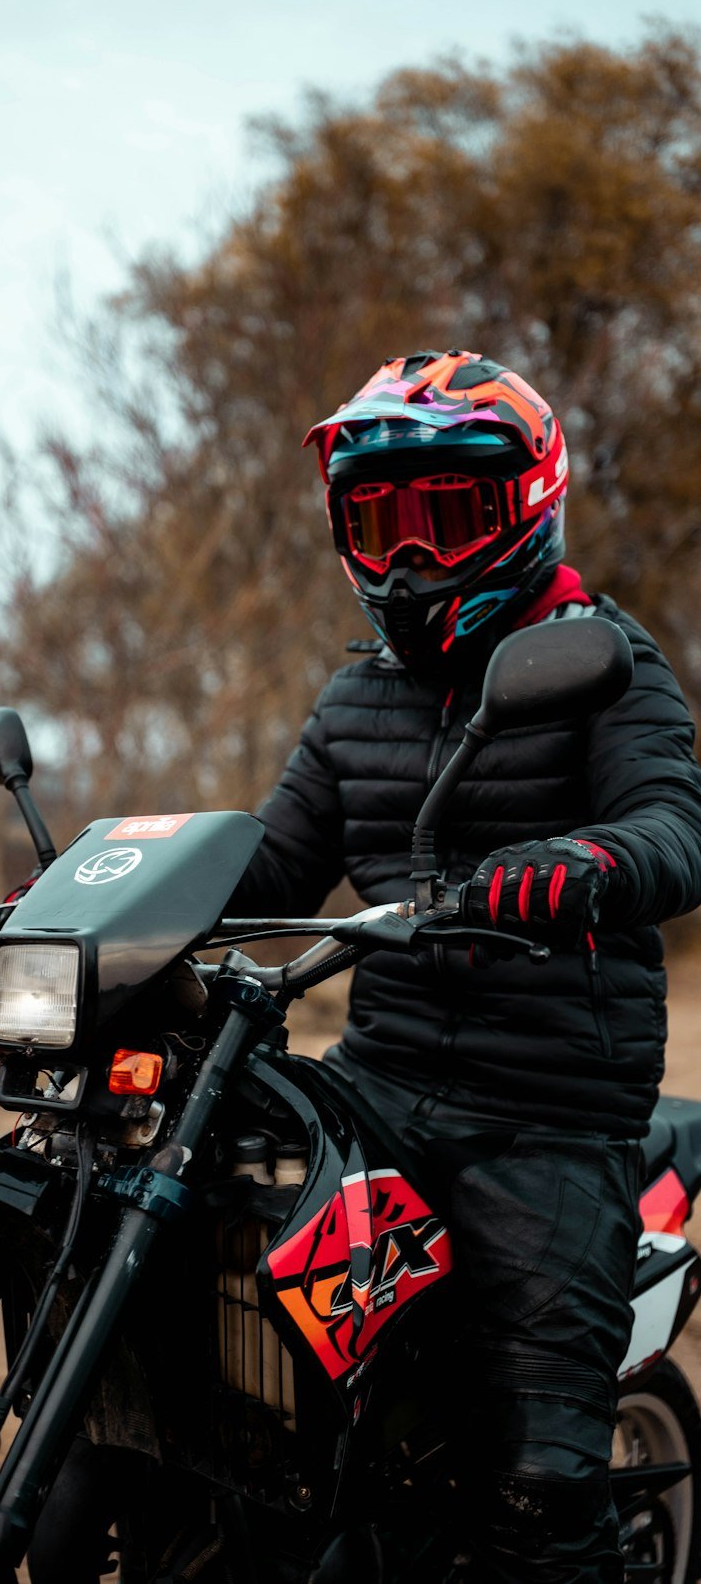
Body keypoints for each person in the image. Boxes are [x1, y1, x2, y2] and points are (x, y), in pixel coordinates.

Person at [227, 348, 701, 1581]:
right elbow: (269, 877)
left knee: (542, 1493)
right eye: (381, 524)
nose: (412, 559)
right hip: (378, 1086)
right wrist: (107, 906)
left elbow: (674, 827)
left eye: (449, 517)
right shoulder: (355, 703)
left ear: (527, 504)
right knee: (217, 1287)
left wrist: (578, 866)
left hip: (545, 1113)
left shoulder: (606, 660)